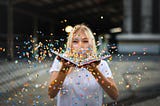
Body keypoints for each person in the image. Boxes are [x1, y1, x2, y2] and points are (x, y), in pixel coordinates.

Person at [48, 24, 119, 106]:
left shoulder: (101, 64)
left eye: (85, 41)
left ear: (91, 44)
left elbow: (115, 95)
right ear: (70, 45)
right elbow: (51, 94)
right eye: (75, 41)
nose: (80, 45)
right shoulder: (60, 62)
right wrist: (64, 68)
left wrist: (95, 71)